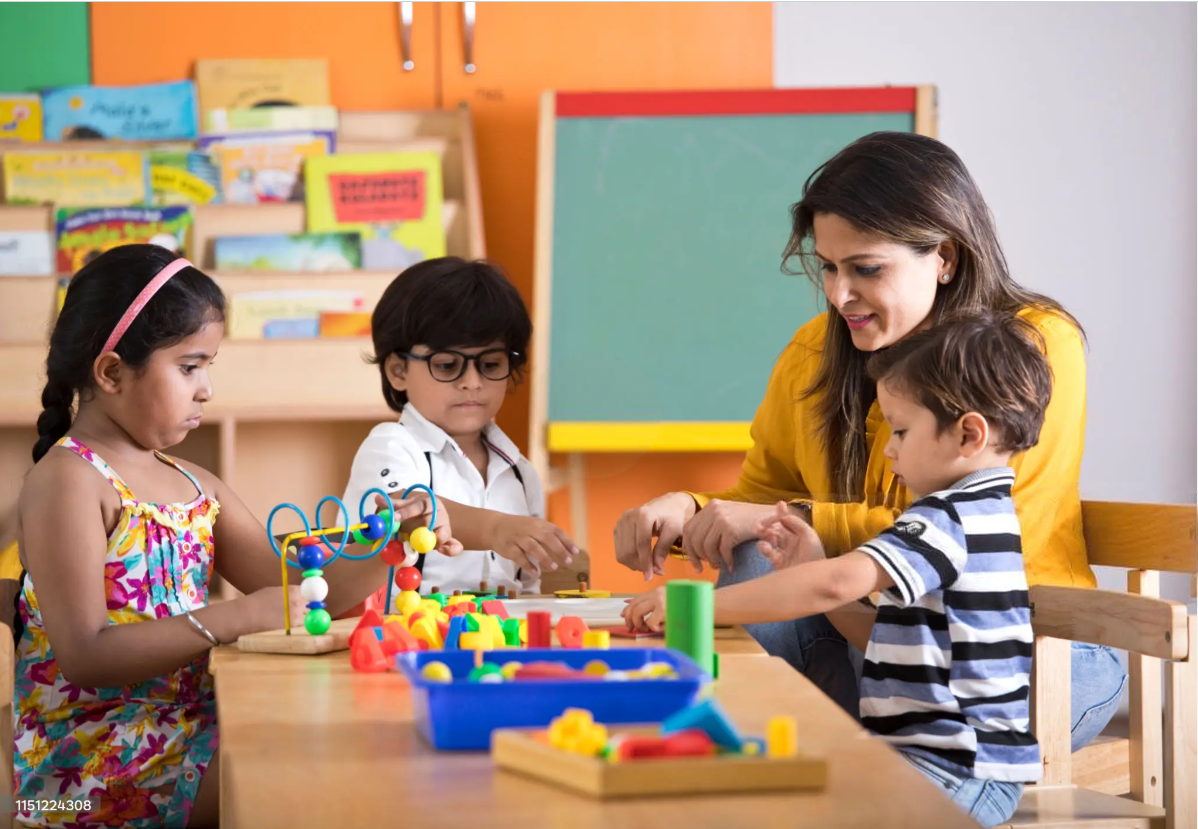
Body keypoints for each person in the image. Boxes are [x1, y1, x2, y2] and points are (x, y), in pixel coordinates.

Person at [613, 131, 1125, 749]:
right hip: (890, 642)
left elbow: (984, 529)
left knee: (765, 560)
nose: (837, 294)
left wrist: (786, 523)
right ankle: (730, 754)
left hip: (1024, 655)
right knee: (756, 561)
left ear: (945, 257)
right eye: (828, 267)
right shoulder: (813, 354)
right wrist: (686, 509)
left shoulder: (1031, 348)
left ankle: (757, 755)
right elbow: (762, 494)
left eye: (866, 269)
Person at [13, 246, 397, 828]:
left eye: (208, 366)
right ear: (112, 371)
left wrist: (391, 538)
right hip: (85, 772)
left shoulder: (194, 484)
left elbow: (302, 583)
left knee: (338, 743)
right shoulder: (68, 480)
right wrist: (237, 618)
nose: (207, 389)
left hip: (191, 731)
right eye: (190, 366)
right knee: (293, 773)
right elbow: (85, 655)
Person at [625, 313, 1050, 827]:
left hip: (956, 770)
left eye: (901, 430)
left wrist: (693, 604)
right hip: (923, 759)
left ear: (968, 434)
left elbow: (833, 584)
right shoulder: (976, 515)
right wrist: (818, 565)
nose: (889, 448)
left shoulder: (949, 519)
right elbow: (881, 640)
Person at [342, 257, 578, 606]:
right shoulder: (390, 447)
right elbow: (404, 512)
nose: (472, 383)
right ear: (398, 371)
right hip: (399, 646)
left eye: (490, 364)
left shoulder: (521, 473)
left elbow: (526, 591)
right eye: (447, 365)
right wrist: (497, 528)